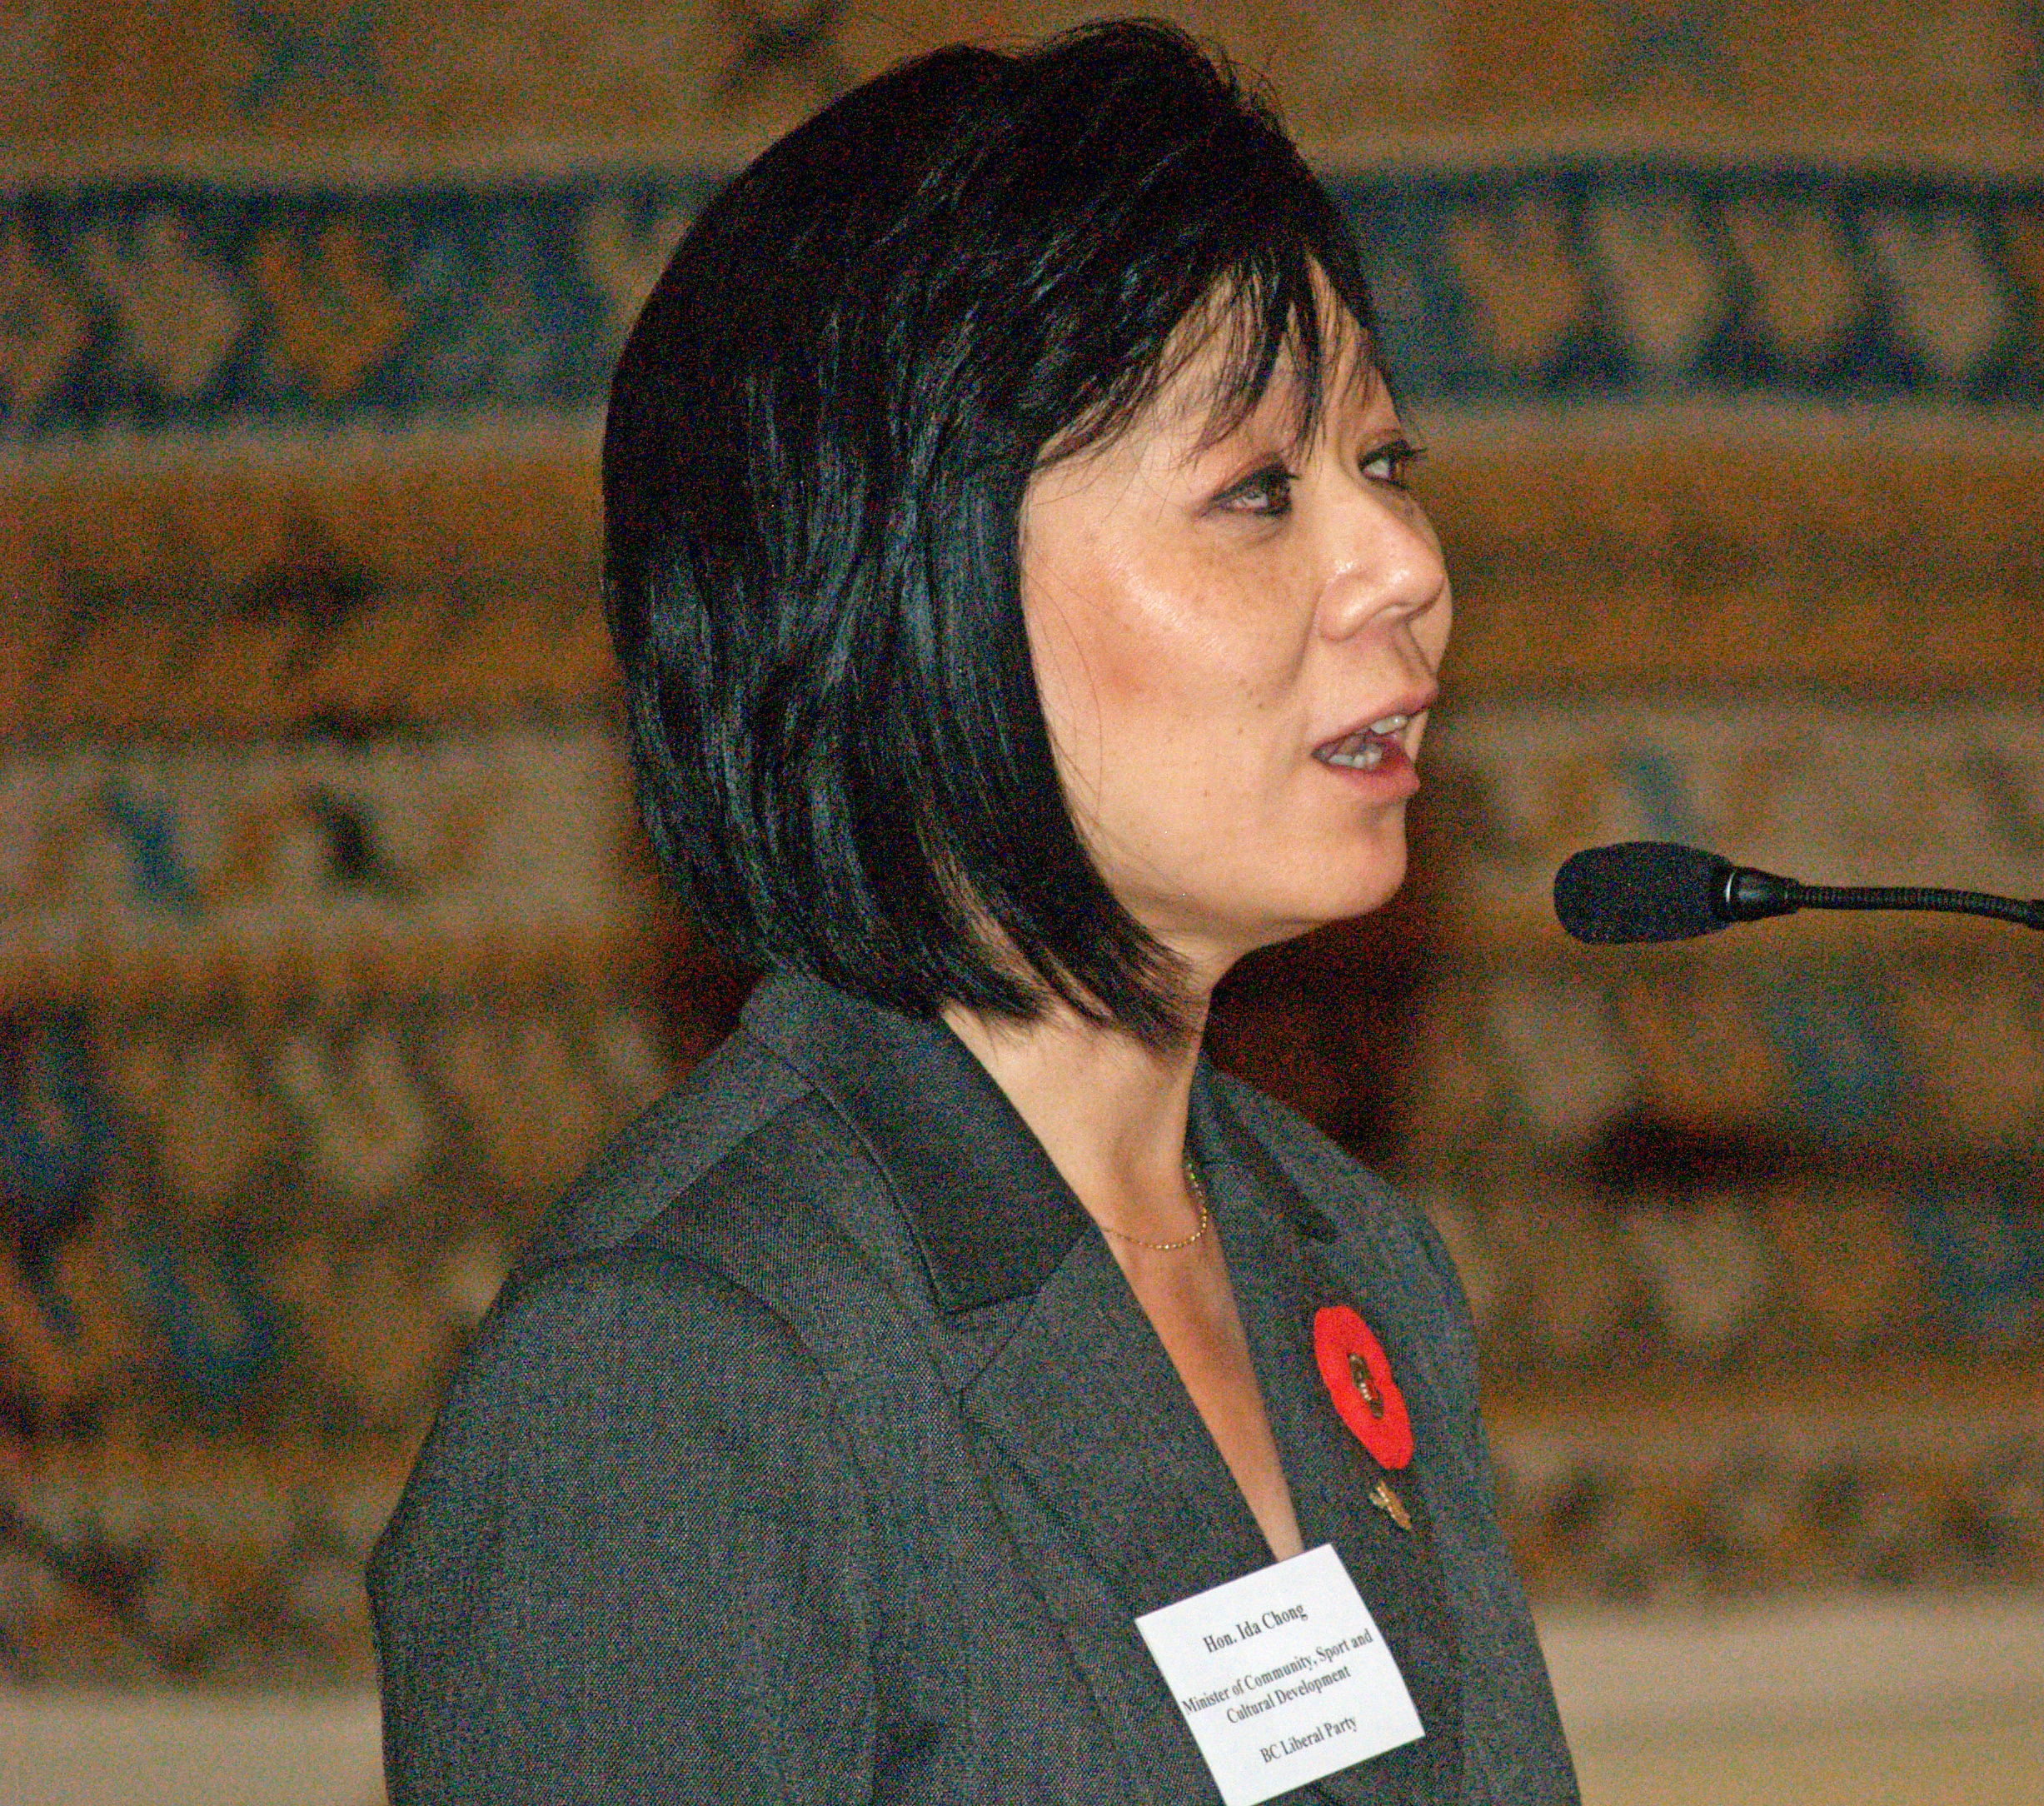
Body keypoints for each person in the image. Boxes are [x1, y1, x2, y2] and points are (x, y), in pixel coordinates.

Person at [366, 20, 1579, 1805]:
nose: (1404, 569)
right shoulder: (673, 1378)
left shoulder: (1356, 1259)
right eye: (1259, 490)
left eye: (1386, 465)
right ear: (917, 596)